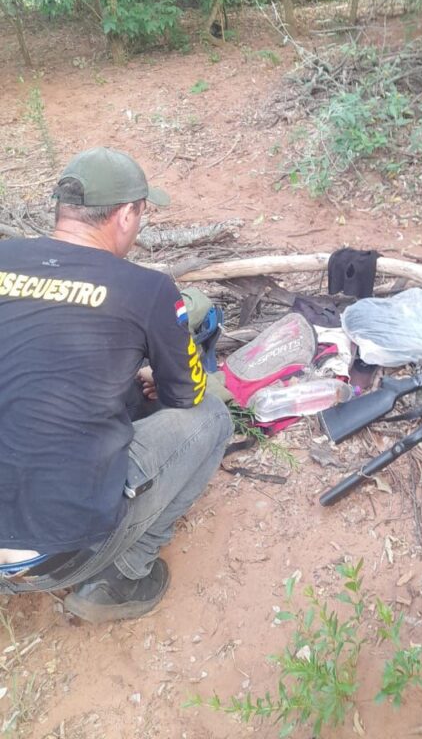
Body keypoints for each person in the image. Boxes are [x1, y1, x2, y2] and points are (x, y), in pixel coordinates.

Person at [0, 147, 233, 622]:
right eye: (141, 214)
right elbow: (186, 394)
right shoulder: (147, 289)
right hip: (54, 554)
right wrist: (155, 373)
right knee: (212, 417)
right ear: (126, 215)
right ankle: (122, 576)